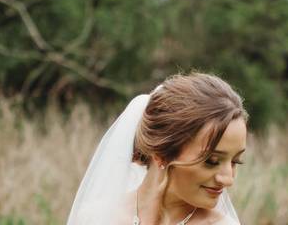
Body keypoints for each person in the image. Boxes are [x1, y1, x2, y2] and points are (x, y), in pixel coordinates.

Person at [67, 73, 248, 225]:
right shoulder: (95, 217)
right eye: (212, 161)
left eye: (235, 161)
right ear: (161, 154)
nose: (228, 179)